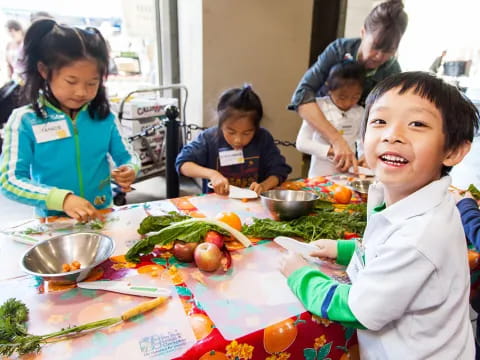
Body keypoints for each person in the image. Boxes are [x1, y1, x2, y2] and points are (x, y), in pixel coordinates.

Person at [280, 72, 478, 359]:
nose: (392, 135)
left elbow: (356, 310)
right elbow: (384, 250)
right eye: (380, 121)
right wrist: (343, 250)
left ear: (454, 150)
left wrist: (300, 275)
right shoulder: (398, 195)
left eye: (417, 124)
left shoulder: (419, 235)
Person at [0, 19, 139, 221]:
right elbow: (9, 180)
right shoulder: (25, 120)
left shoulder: (103, 115)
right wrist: (60, 199)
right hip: (53, 220)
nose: (81, 92)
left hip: (101, 214)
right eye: (71, 81)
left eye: (92, 83)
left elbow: (127, 156)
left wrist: (130, 169)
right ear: (44, 71)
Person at [289, 0, 408, 174]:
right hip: (325, 145)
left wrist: (372, 150)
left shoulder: (392, 70)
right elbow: (302, 96)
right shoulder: (338, 50)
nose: (379, 56)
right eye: (375, 47)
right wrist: (336, 140)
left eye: (389, 51)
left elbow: (392, 115)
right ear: (363, 32)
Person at [176, 85, 292, 195]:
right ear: (221, 124)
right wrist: (213, 174)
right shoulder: (209, 138)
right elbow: (183, 163)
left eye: (247, 133)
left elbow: (279, 170)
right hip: (218, 205)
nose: (238, 140)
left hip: (253, 204)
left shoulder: (263, 138)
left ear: (256, 128)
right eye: (231, 132)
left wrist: (263, 186)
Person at [296, 61, 365, 177]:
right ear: (330, 90)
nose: (348, 103)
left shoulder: (360, 112)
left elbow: (362, 140)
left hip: (348, 175)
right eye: (342, 97)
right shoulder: (318, 107)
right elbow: (302, 143)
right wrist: (333, 151)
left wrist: (364, 157)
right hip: (320, 175)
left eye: (355, 97)